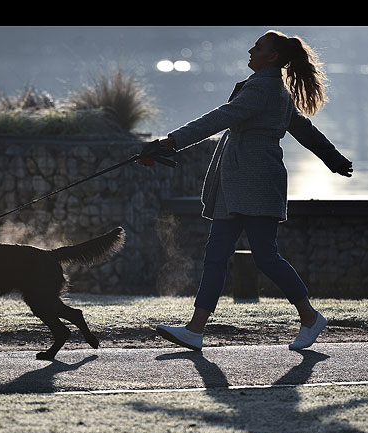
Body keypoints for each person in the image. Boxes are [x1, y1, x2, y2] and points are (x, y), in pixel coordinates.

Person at [139, 30, 353, 352]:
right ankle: (195, 331)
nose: (251, 50)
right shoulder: (268, 88)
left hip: (257, 183)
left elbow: (218, 119)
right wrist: (333, 159)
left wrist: (168, 143)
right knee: (215, 256)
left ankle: (309, 317)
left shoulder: (264, 88)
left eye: (259, 47)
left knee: (266, 257)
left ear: (273, 57)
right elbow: (303, 129)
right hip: (236, 184)